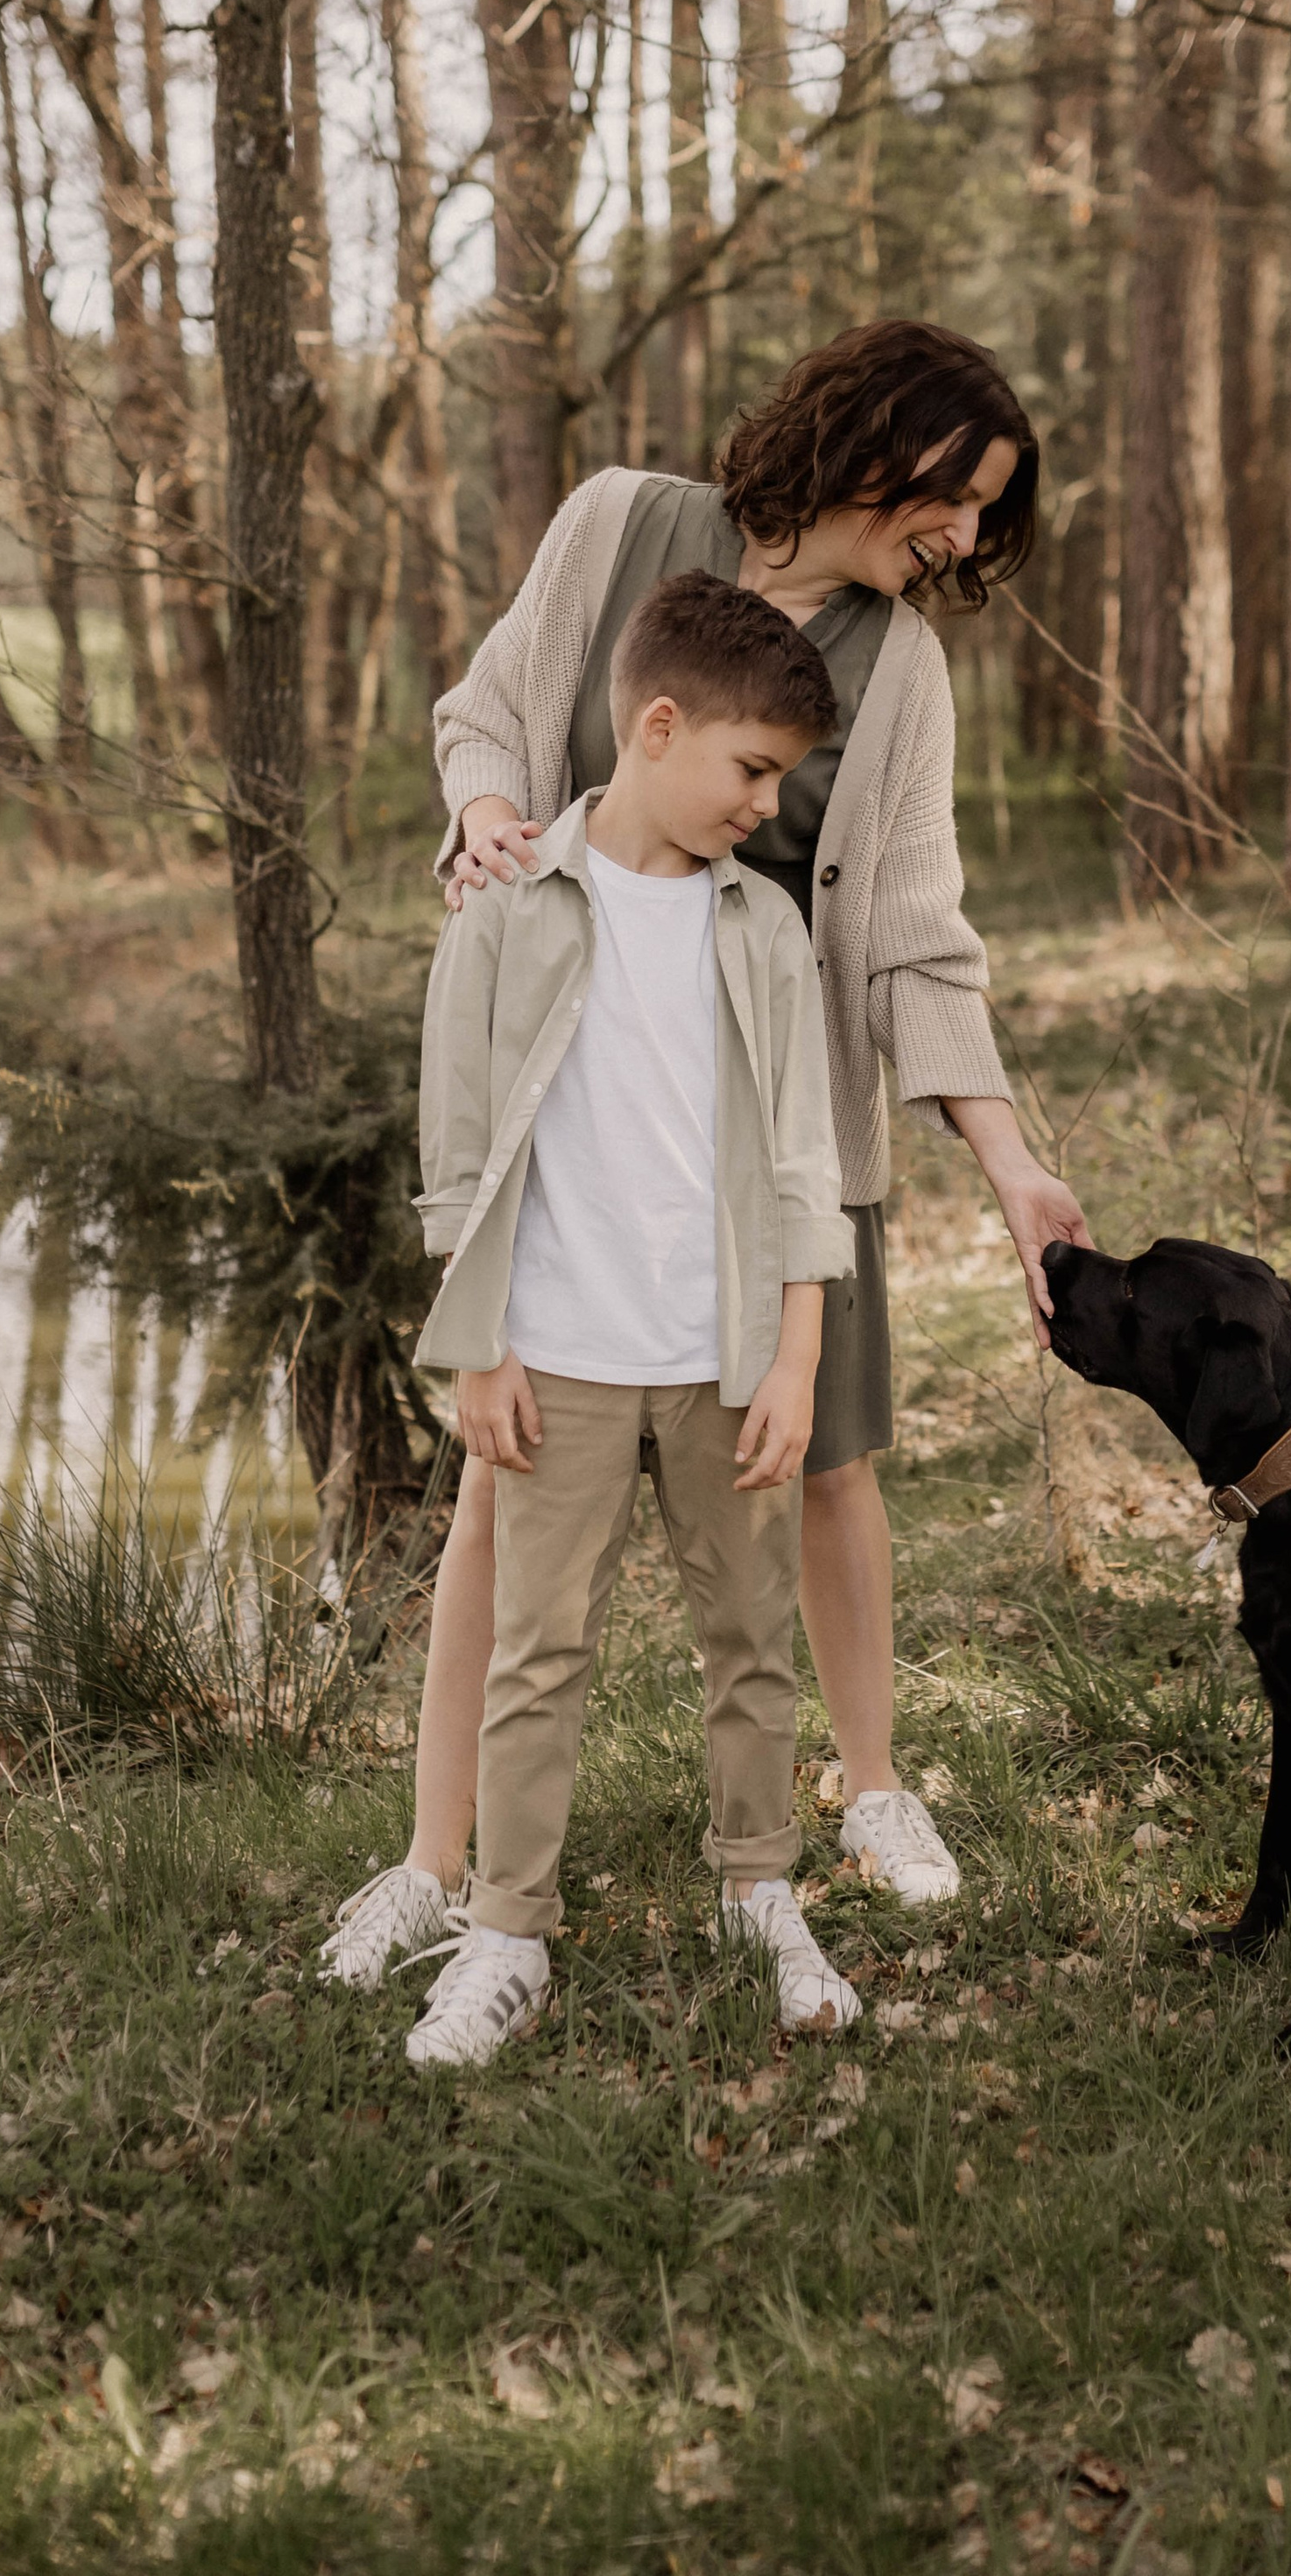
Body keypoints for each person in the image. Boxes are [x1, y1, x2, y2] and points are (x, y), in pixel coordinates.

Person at [321, 318, 1092, 1992]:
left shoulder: (905, 671)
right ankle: (433, 1866)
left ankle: (873, 1794)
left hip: (783, 1143)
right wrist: (477, 818)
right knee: (498, 1499)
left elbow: (912, 936)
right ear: (874, 433)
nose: (963, 538)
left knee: (823, 1465)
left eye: (985, 517)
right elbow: (493, 715)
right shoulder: (618, 523)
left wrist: (1008, 1162)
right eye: (956, 494)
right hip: (572, 1118)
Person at [397, 572, 864, 2065]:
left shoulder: (762, 929)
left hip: (723, 1355)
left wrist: (794, 1357)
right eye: (751, 770)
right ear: (658, 725)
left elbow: (804, 1162)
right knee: (539, 1653)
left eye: (781, 781)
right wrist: (479, 1346)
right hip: (562, 1363)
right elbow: (458, 1157)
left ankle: (759, 1888)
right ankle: (506, 1931)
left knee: (752, 1636)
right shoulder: (509, 910)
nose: (764, 805)